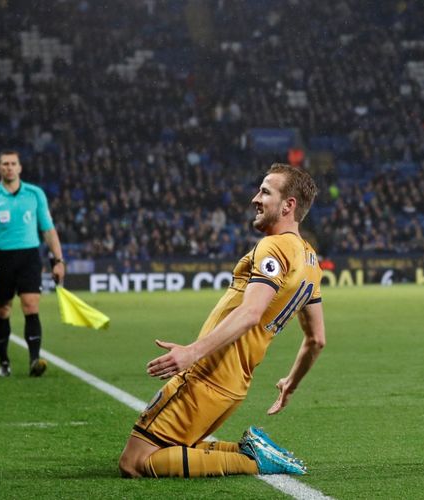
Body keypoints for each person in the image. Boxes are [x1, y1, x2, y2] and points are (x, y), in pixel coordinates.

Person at [118, 163, 327, 479]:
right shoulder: (311, 262)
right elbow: (316, 340)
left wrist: (191, 353)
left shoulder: (275, 246)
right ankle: (253, 452)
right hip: (233, 382)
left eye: (265, 192)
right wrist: (290, 384)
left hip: (208, 374)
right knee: (178, 447)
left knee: (135, 462)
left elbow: (250, 313)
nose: (255, 198)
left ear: (289, 205)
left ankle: (253, 461)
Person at [0, 150, 65, 377]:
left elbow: (48, 229)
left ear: (20, 168)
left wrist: (58, 260)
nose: (9, 167)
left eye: (13, 163)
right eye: (5, 164)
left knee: (31, 305)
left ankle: (35, 360)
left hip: (29, 257)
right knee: (3, 309)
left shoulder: (35, 194)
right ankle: (4, 362)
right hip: (2, 259)